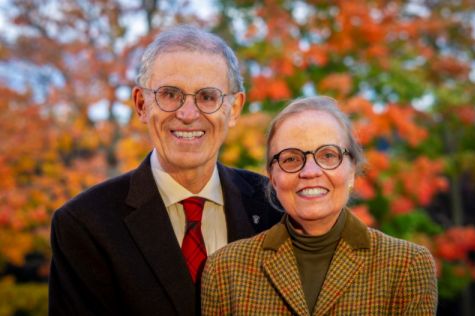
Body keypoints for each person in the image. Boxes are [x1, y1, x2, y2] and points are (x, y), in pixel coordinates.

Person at [48, 25, 282, 316]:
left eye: (207, 97)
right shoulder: (84, 225)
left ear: (234, 109)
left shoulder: (276, 209)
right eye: (170, 94)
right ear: (141, 104)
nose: (187, 114)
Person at [202, 96, 438, 315]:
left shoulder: (407, 265)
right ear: (273, 177)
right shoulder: (226, 269)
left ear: (352, 171)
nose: (310, 172)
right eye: (291, 159)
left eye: (327, 155)